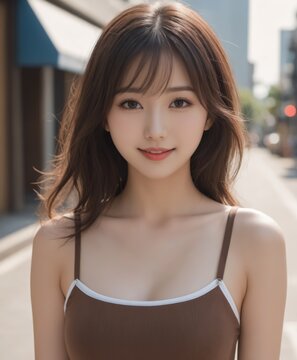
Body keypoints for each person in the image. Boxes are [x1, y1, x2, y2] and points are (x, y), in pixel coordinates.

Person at [30, 1, 287, 359]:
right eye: (131, 103)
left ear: (210, 114)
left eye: (179, 102)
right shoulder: (56, 243)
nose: (155, 130)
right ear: (104, 115)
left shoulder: (254, 240)